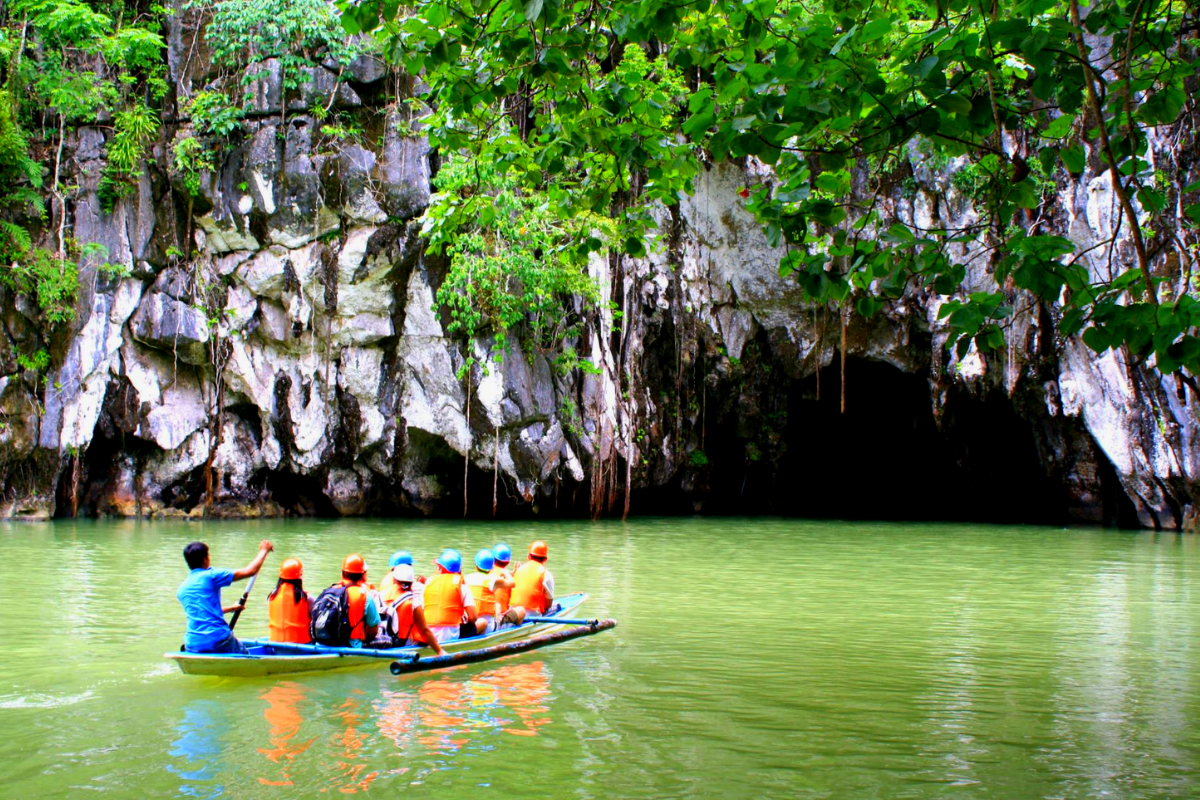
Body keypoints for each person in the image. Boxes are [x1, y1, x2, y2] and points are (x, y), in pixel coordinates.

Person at [177, 539, 273, 654]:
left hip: (192, 644)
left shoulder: (182, 589)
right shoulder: (211, 575)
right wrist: (264, 550)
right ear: (205, 559)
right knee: (245, 654)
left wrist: (232, 608)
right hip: (218, 639)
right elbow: (250, 571)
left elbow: (203, 612)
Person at [410, 548, 478, 647]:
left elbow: (420, 611)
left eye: (438, 566)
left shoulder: (427, 584)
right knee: (475, 625)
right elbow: (473, 618)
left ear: (441, 569)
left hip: (428, 635)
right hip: (451, 636)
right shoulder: (462, 587)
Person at [386, 564, 445, 655]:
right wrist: (440, 651)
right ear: (412, 582)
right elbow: (424, 630)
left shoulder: (382, 595)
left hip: (386, 641)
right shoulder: (413, 602)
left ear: (394, 580)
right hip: (403, 644)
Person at [464, 549, 518, 633]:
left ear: (476, 565)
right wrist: (504, 571)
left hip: (472, 624)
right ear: (491, 567)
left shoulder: (466, 578)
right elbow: (512, 583)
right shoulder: (493, 580)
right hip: (489, 626)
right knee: (519, 611)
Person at [338, 553, 380, 648]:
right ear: (362, 575)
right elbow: (374, 631)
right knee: (387, 640)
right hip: (353, 645)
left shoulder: (331, 590)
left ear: (343, 573)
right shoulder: (366, 596)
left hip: (327, 642)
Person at [267, 557, 312, 644]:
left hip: (275, 645)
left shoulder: (271, 596)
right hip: (302, 646)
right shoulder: (306, 598)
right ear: (299, 578)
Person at [511, 540, 556, 615]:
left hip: (513, 613)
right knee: (557, 606)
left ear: (528, 556)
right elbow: (548, 605)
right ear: (545, 559)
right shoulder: (546, 574)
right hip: (532, 614)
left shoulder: (517, 570)